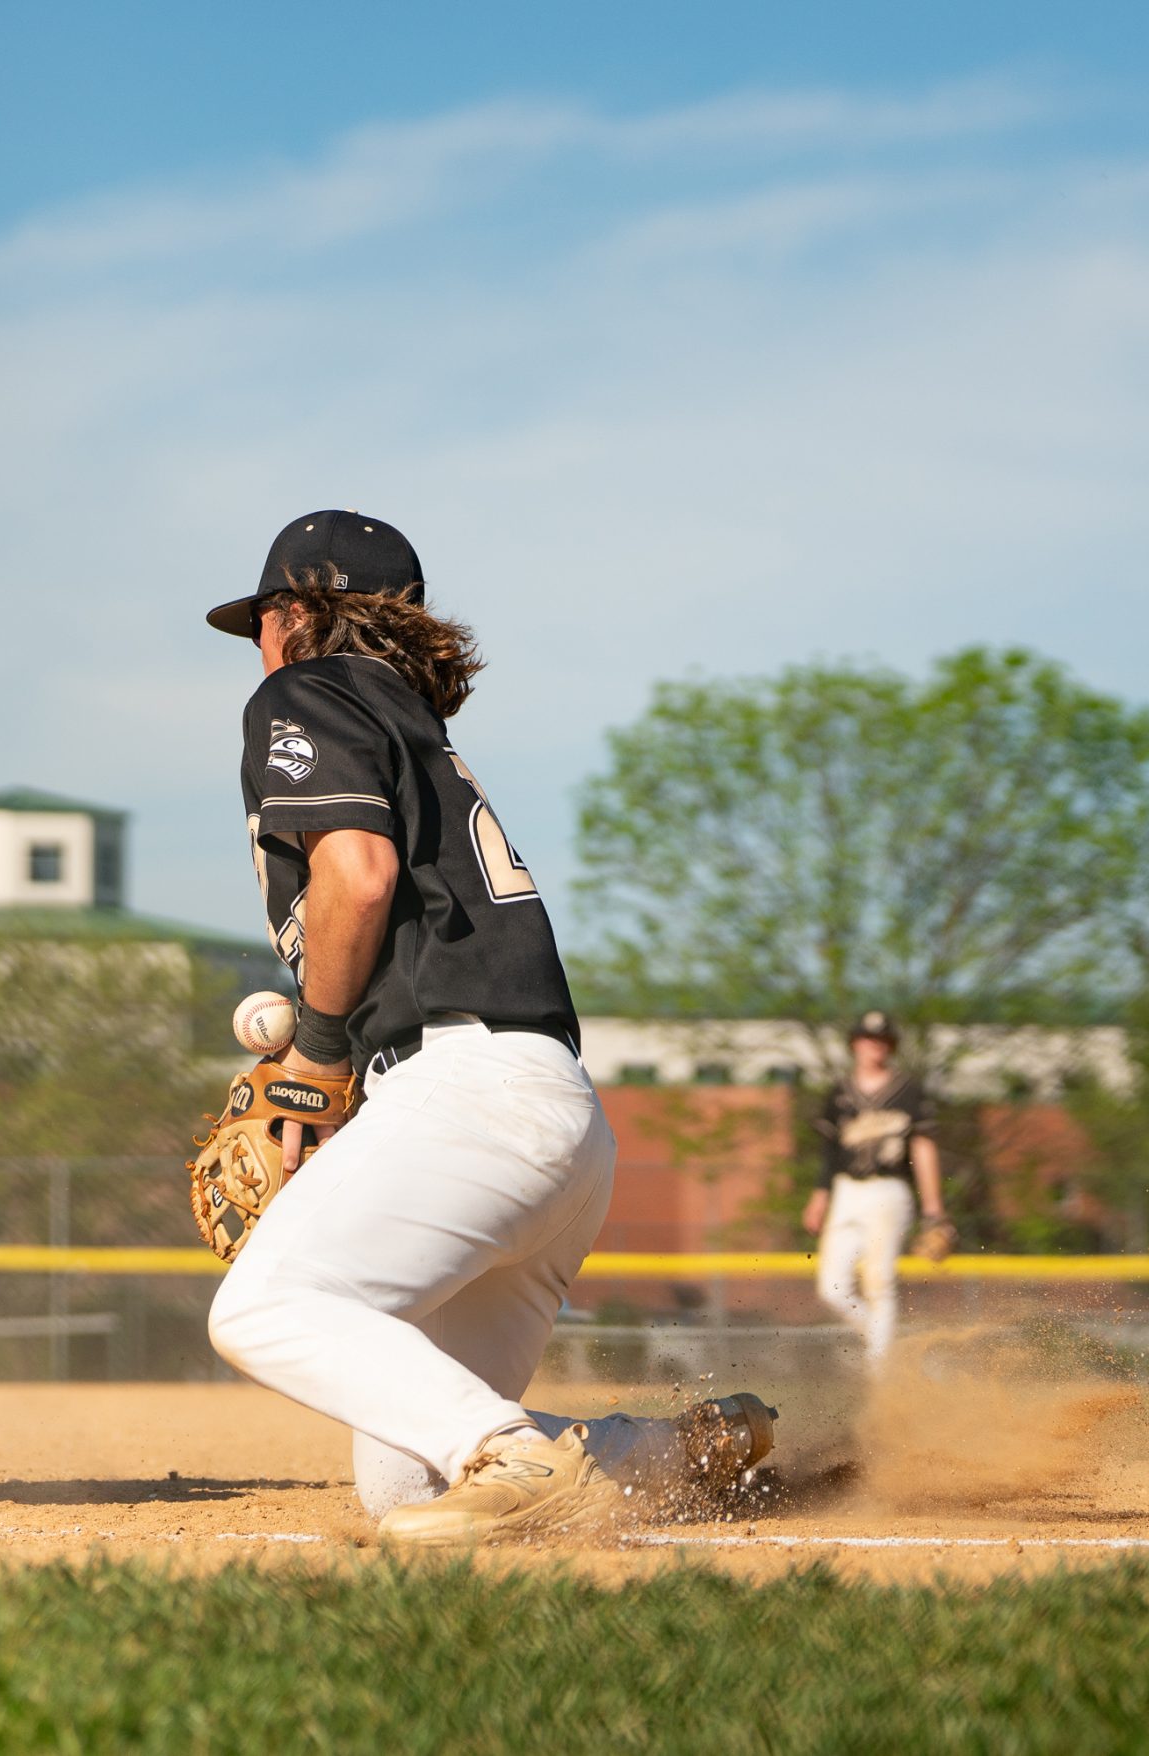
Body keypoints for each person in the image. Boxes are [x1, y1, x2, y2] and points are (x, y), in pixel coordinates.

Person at [199, 511, 774, 1549]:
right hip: (554, 1118)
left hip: (465, 1098)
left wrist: (319, 1045)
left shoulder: (306, 687)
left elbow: (356, 874)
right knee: (402, 1482)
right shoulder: (411, 723)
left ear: (297, 612)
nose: (257, 643)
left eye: (263, 617)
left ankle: (519, 1454)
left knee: (261, 1309)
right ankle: (672, 1455)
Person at [803, 1010, 947, 1369]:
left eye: (881, 1041)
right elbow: (830, 1151)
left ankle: (880, 1371)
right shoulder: (840, 1092)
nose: (873, 1047)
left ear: (890, 1047)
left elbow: (923, 1148)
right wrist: (820, 1196)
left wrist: (933, 1208)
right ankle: (892, 1352)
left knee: (880, 1283)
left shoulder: (907, 1091)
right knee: (832, 1288)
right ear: (855, 1044)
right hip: (846, 1190)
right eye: (867, 1040)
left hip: (890, 1190)